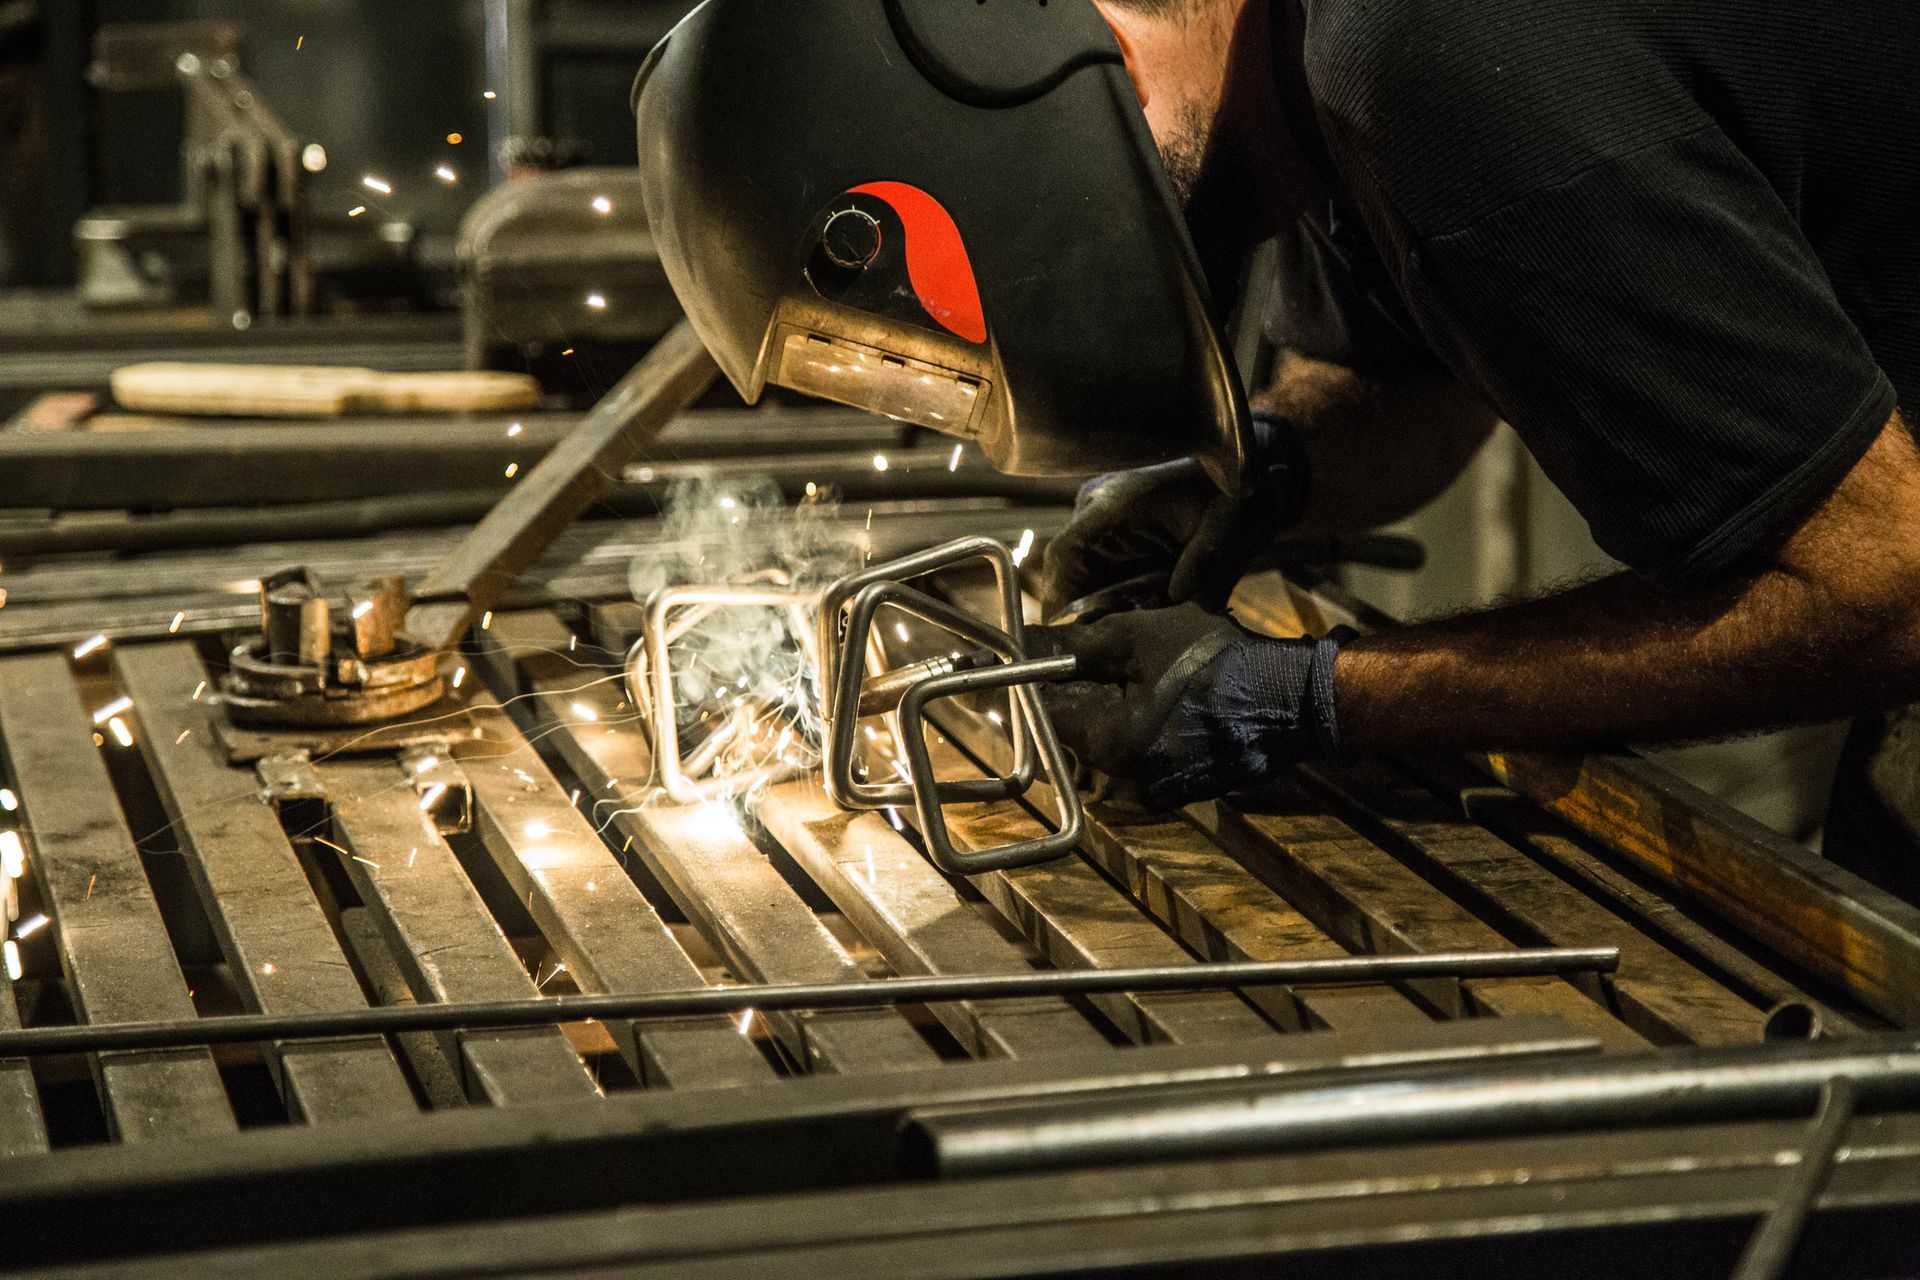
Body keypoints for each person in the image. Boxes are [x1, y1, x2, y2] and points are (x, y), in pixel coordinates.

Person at [1029, 0, 1920, 889]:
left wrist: (1311, 698)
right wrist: (1256, 472)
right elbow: (1420, 382)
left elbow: (1884, 594)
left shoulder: (1412, 40)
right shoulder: (1296, 70)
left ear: (1112, 61)